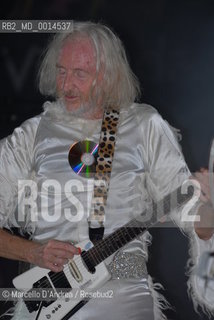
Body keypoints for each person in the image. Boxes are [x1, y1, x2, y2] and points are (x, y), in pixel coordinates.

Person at [0, 21, 193, 320]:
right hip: (48, 297)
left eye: (79, 73)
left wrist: (206, 205)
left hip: (123, 296)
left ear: (107, 76)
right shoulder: (32, 134)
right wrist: (32, 252)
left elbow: (195, 218)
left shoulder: (145, 126)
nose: (65, 85)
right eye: (61, 71)